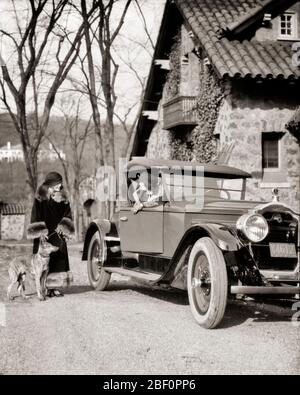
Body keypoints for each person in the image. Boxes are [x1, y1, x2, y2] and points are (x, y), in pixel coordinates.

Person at [28, 172, 74, 297]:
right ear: (51, 184)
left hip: (58, 233)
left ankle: (54, 287)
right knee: (43, 260)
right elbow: (35, 216)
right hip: (44, 234)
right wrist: (41, 231)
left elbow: (68, 214)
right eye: (58, 184)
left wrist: (64, 226)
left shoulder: (63, 197)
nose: (60, 186)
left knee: (58, 259)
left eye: (60, 183)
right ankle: (44, 287)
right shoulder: (40, 198)